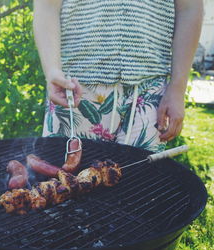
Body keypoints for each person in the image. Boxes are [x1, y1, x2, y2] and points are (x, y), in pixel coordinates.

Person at [33, 0, 203, 152]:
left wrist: (177, 89)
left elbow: (189, 8)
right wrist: (52, 70)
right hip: (74, 89)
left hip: (149, 94)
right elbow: (47, 6)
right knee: (62, 182)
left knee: (142, 183)